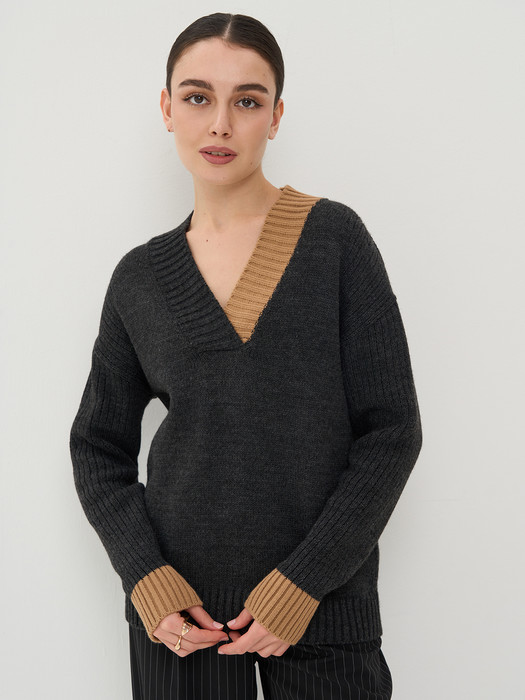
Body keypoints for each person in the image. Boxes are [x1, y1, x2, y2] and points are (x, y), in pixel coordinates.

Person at [70, 11, 423, 700]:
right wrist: (146, 579)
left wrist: (303, 584)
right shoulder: (139, 278)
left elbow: (391, 432)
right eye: (198, 97)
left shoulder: (335, 241)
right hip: (182, 628)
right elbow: (97, 447)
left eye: (248, 101)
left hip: (324, 619)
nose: (221, 124)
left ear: (276, 115)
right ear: (167, 109)